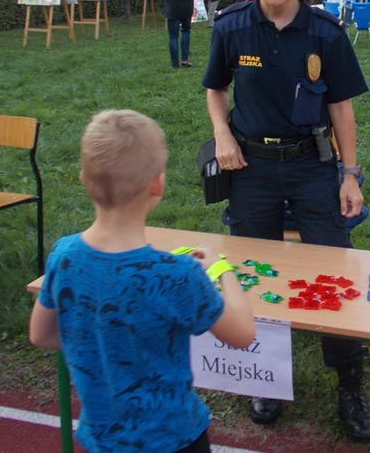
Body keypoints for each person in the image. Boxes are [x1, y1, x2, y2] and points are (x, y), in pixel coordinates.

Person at [202, 0, 370, 442]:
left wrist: (350, 175)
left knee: (333, 273)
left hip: (311, 168)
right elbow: (215, 90)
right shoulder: (232, 27)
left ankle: (350, 383)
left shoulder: (326, 33)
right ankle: (268, 378)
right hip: (250, 170)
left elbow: (342, 109)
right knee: (256, 273)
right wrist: (222, 138)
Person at [29, 109, 255, 453]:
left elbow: (41, 334)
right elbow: (242, 334)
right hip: (174, 439)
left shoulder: (64, 256)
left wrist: (105, 340)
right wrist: (222, 270)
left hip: (103, 438)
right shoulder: (176, 275)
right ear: (158, 183)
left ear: (84, 180)